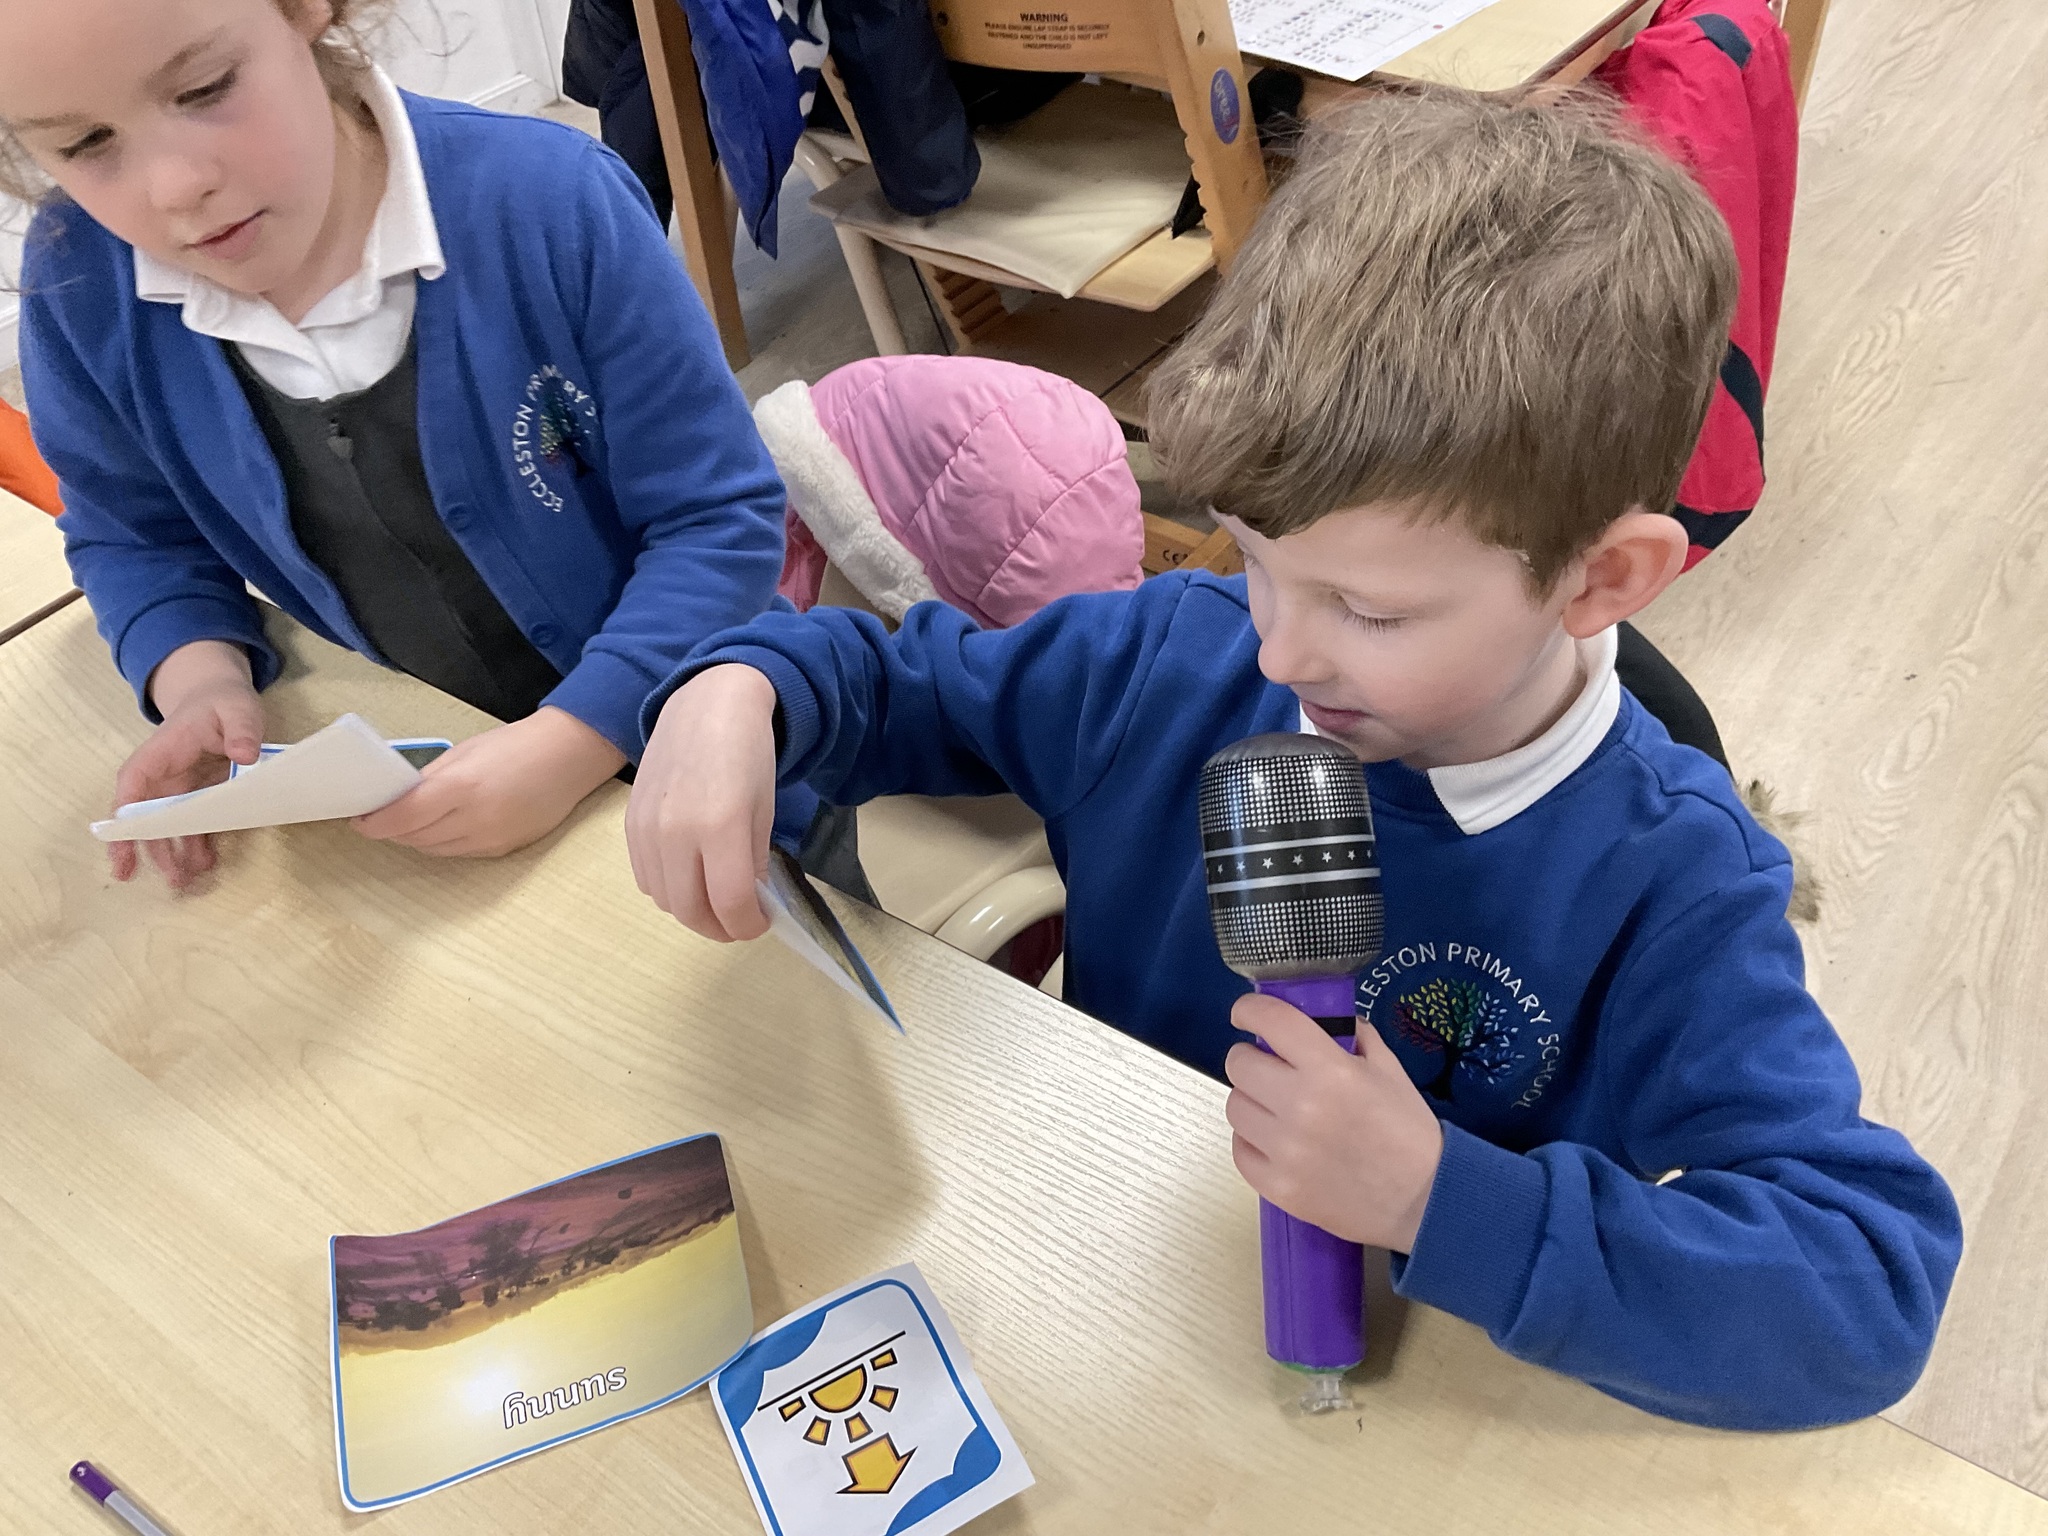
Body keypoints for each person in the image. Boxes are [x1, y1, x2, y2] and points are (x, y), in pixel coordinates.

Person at [621, 87, 1960, 1430]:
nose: (1278, 651)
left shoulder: (1671, 886)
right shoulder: (1164, 662)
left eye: (1367, 611)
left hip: (1406, 1409)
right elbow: (889, 685)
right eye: (1257, 560)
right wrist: (744, 688)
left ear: (1602, 578)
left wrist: (1440, 1199)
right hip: (1102, 1294)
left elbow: (1864, 1289)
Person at [2, 0, 819, 888]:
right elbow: (135, 535)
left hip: (721, 766)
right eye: (84, 143)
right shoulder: (79, 286)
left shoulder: (553, 201)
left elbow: (719, 522)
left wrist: (574, 741)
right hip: (445, 809)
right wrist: (199, 678)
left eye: (204, 89)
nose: (174, 187)